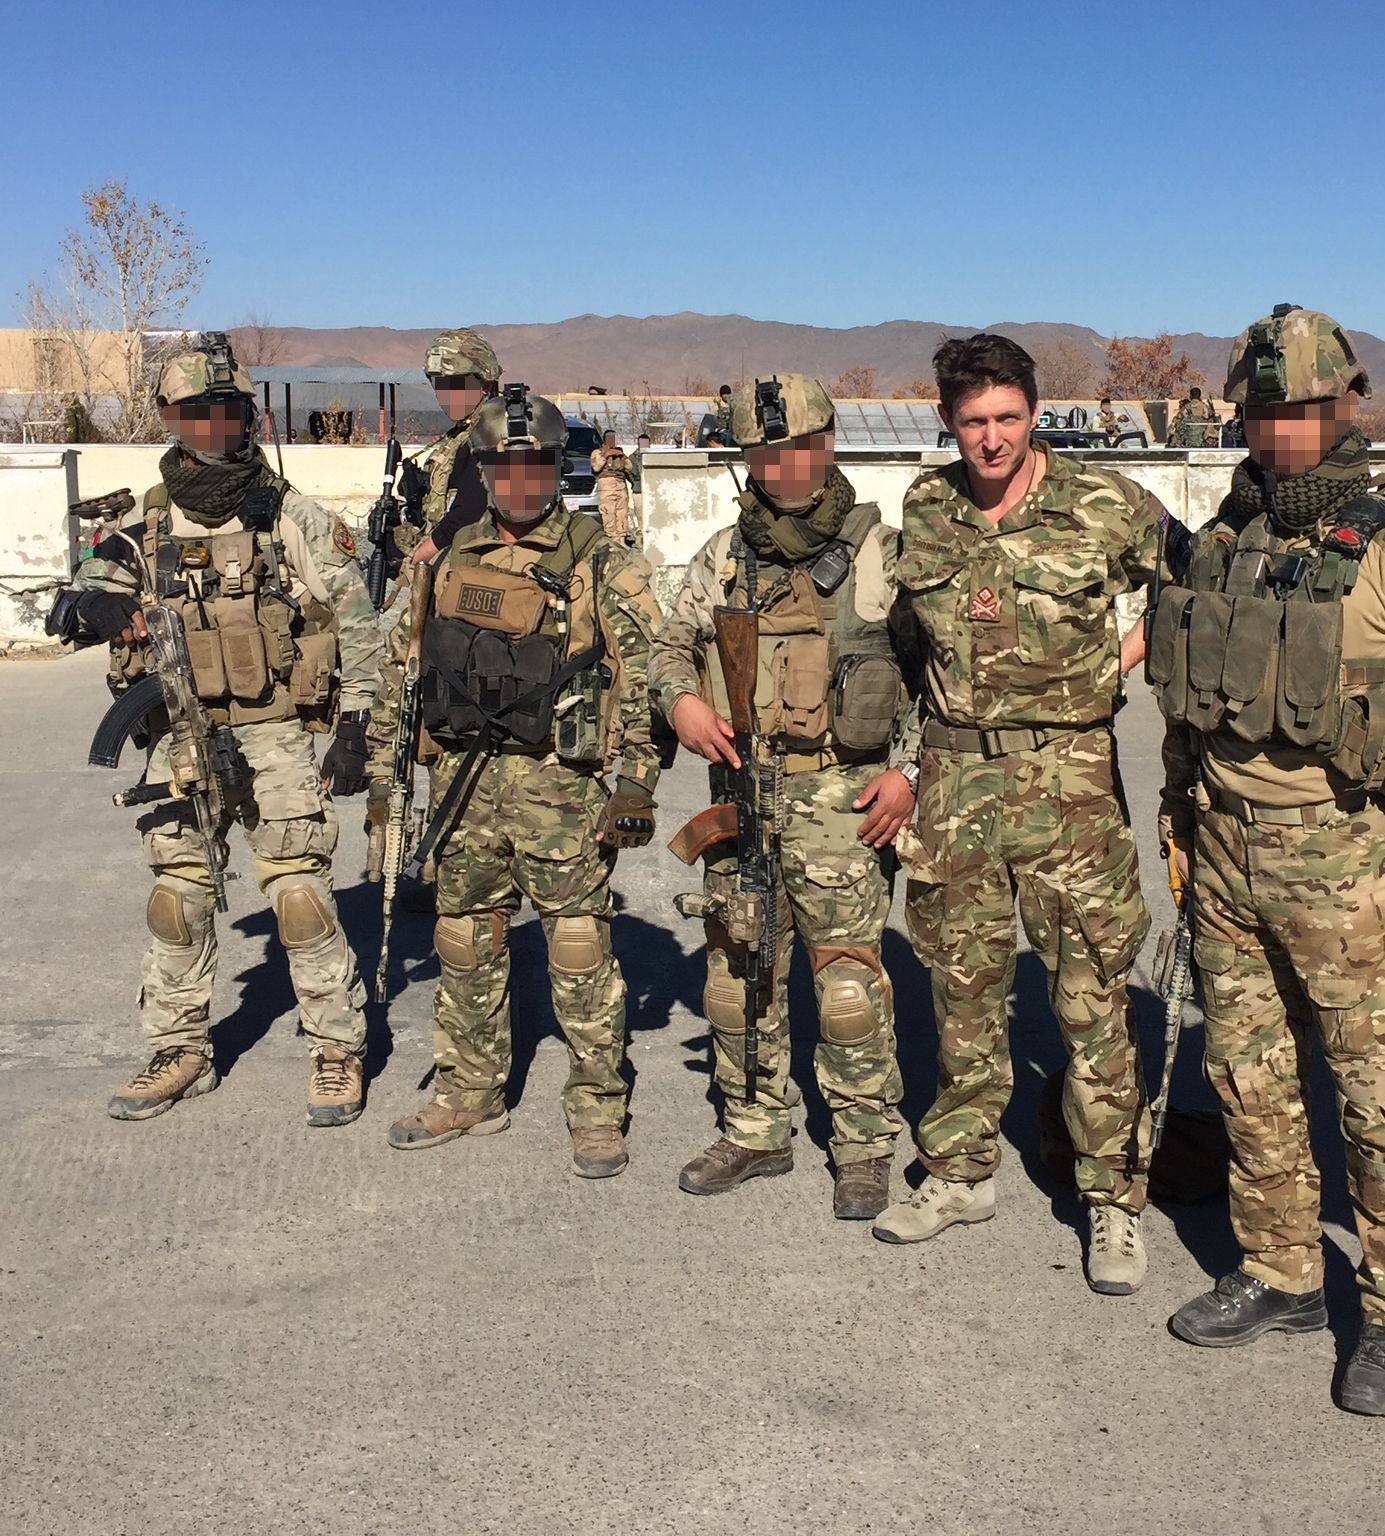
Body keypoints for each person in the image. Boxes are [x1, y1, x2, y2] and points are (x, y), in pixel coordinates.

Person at [1151, 306, 1385, 1414]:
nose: (1279, 431)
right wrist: (1176, 816)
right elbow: (1188, 708)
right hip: (1221, 850)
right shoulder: (1226, 537)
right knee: (1247, 1077)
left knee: (1375, 1095)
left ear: (1347, 405)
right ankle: (1279, 1269)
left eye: (1300, 410)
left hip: (1344, 861)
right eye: (1261, 410)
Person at [872, 332, 1160, 1296]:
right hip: (957, 787)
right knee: (962, 992)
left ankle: (1112, 1197)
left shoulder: (1104, 503)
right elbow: (915, 652)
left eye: (1007, 418)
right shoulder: (929, 506)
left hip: (1068, 785)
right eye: (972, 422)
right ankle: (959, 1171)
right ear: (948, 424)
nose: (990, 439)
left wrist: (1107, 670)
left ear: (1034, 413)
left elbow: (1197, 588)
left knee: (1090, 998)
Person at [47, 334, 379, 1127]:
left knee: (298, 895)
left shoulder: (289, 514)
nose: (212, 426)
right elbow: (70, 603)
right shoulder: (141, 522)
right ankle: (180, 1048)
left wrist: (360, 726)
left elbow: (361, 624)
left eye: (225, 411)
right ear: (170, 417)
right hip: (178, 736)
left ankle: (336, 1049)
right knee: (177, 898)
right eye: (194, 413)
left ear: (246, 415)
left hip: (274, 733)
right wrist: (93, 605)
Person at [367, 386, 665, 1179]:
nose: (521, 481)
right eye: (505, 464)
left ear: (554, 465)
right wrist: (381, 786)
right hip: (463, 789)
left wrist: (634, 782)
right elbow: (400, 678)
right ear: (486, 468)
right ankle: (470, 1090)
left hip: (562, 794)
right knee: (465, 942)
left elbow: (644, 678)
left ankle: (597, 1106)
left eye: (535, 464)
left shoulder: (603, 562)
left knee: (577, 947)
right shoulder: (448, 555)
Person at [651, 373, 916, 1219]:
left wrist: (906, 771)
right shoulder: (725, 557)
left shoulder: (882, 553)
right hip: (743, 797)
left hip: (841, 803)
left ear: (829, 445)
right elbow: (667, 647)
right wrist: (681, 701)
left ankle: (864, 1145)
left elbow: (942, 676)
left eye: (800, 448)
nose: (785, 466)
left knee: (846, 987)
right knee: (739, 975)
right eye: (767, 453)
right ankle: (756, 1127)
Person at [398, 328, 501, 573]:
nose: (445, 395)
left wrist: (425, 550)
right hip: (454, 559)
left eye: (455, 384)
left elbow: (472, 508)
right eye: (439, 385)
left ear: (484, 383)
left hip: (476, 564)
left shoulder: (493, 433)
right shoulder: (461, 433)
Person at [593, 428, 635, 546]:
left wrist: (622, 457)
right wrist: (605, 455)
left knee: (622, 514)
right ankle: (611, 541)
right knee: (608, 514)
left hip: (620, 486)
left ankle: (621, 540)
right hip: (607, 486)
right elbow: (596, 467)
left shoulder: (620, 452)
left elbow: (629, 467)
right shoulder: (598, 452)